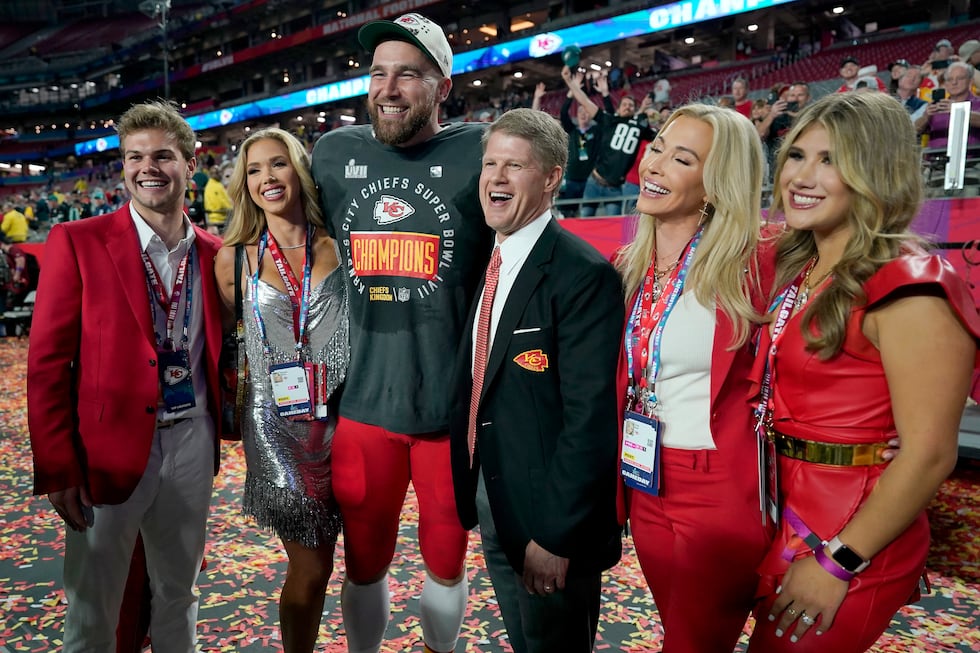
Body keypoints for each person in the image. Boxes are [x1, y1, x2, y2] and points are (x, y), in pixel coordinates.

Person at [749, 91, 980, 651]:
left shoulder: (911, 286)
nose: (802, 176)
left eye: (830, 160)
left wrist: (838, 561)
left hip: (846, 537)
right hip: (781, 513)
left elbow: (929, 454)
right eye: (797, 156)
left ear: (876, 172)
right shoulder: (799, 261)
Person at [310, 13, 492, 653]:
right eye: (378, 72)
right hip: (362, 403)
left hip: (449, 408)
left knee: (446, 560)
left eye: (408, 75)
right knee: (364, 562)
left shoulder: (483, 152)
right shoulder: (333, 152)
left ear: (443, 85)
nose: (388, 88)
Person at [26, 99, 225, 652]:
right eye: (134, 157)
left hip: (191, 440)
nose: (148, 168)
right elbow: (45, 365)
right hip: (105, 452)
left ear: (190, 161)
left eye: (163, 155)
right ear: (122, 167)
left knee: (179, 594)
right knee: (92, 607)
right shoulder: (78, 241)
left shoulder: (214, 253)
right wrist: (58, 465)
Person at [449, 108, 624, 652]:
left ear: (551, 178)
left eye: (515, 166)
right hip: (494, 498)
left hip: (549, 522)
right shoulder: (491, 258)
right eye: (489, 164)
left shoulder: (583, 274)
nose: (495, 178)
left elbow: (589, 418)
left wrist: (556, 534)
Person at [615, 104, 775, 652]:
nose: (654, 166)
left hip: (718, 488)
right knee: (681, 629)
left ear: (715, 183)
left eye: (681, 159)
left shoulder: (755, 262)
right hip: (644, 480)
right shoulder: (627, 266)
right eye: (656, 147)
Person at [215, 127, 348, 652]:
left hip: (346, 415)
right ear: (244, 185)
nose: (267, 178)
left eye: (277, 164)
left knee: (354, 561)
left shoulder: (341, 244)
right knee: (311, 567)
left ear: (299, 170)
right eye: (253, 170)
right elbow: (228, 341)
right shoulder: (235, 258)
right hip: (275, 427)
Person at [561, 66, 656, 217]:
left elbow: (660, 134)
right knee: (585, 224)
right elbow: (585, 102)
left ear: (635, 110)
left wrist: (652, 114)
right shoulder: (610, 120)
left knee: (614, 228)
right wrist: (569, 82)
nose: (627, 107)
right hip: (593, 182)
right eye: (624, 104)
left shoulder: (641, 127)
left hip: (615, 188)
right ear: (618, 109)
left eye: (631, 105)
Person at [557, 72, 613, 215]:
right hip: (571, 179)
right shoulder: (571, 130)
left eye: (586, 112)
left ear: (591, 114)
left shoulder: (597, 131)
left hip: (590, 180)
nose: (583, 114)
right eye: (580, 112)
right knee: (568, 213)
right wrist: (572, 90)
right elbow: (563, 113)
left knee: (587, 214)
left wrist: (605, 95)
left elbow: (610, 118)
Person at [915, 61, 980, 149]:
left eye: (960, 78)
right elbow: (912, 132)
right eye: (949, 79)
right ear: (945, 83)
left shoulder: (977, 103)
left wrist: (958, 110)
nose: (954, 83)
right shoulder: (937, 106)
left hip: (971, 159)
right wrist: (925, 118)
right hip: (935, 159)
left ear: (970, 81)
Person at [204, 164, 233, 234]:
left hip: (218, 215)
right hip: (218, 216)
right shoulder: (215, 186)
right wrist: (231, 207)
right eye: (218, 173)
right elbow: (220, 203)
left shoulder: (213, 184)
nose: (220, 175)